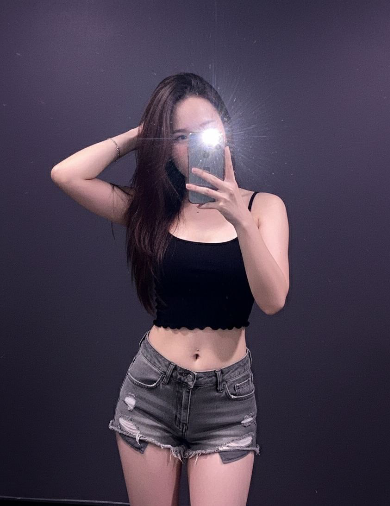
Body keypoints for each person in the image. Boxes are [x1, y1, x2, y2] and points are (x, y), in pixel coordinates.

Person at [51, 72, 290, 506]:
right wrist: (137, 136)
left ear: (225, 131)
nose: (193, 145)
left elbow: (273, 300)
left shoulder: (263, 208)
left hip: (226, 401)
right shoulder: (153, 211)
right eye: (179, 137)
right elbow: (66, 175)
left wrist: (239, 218)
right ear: (164, 145)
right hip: (151, 392)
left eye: (206, 131)